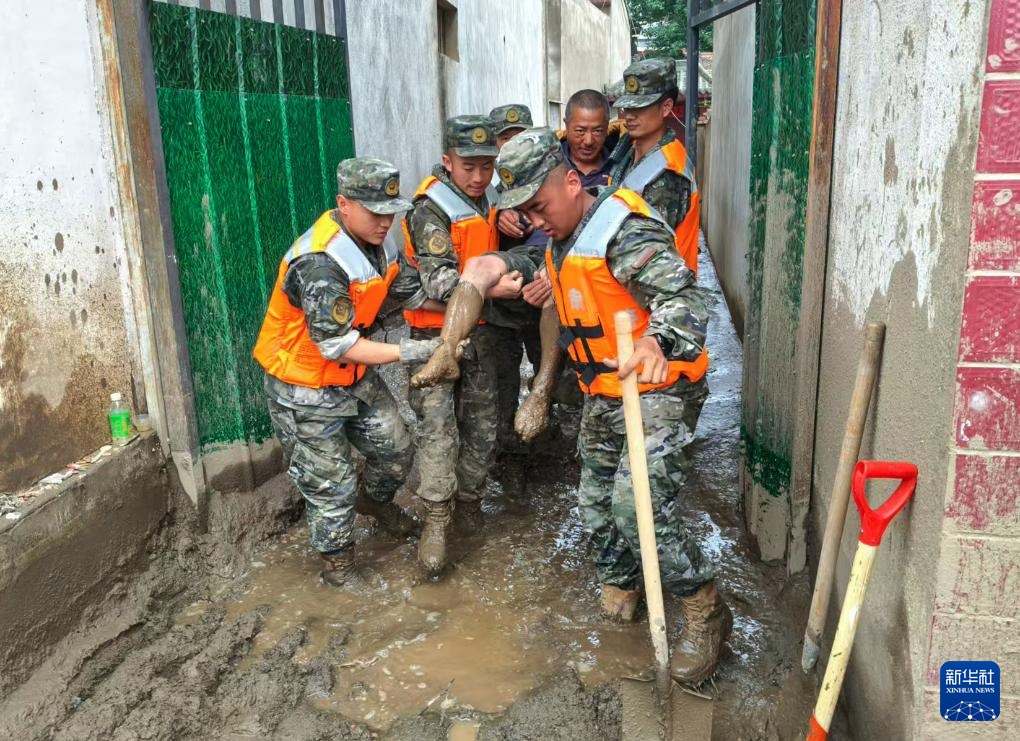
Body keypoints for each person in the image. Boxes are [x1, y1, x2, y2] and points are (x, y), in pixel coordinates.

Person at [496, 128, 731, 686]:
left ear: (570, 182)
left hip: (660, 386)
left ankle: (704, 607)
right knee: (596, 506)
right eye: (525, 212)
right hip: (604, 389)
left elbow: (685, 297)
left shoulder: (624, 229)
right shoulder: (561, 239)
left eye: (539, 206)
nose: (535, 220)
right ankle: (623, 587)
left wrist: (656, 340)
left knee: (636, 506)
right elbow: (570, 310)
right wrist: (542, 387)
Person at [253, 158, 443, 589]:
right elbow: (336, 344)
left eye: (390, 212)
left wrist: (470, 304)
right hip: (304, 387)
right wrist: (410, 350)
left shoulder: (381, 245)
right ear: (344, 204)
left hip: (352, 376)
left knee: (397, 449)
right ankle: (338, 568)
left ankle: (374, 502)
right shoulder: (319, 263)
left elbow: (412, 295)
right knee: (331, 484)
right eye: (375, 212)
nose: (385, 222)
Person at [402, 115, 523, 576]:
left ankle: (469, 502)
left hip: (481, 333)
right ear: (448, 161)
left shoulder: (490, 197)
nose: (478, 176)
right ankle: (436, 519)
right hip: (433, 336)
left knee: (483, 425)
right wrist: (495, 288)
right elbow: (438, 282)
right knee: (438, 428)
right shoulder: (430, 208)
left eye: (486, 166)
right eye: (468, 166)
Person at [609, 58, 700, 276]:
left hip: (660, 287)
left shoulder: (669, 173)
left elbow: (645, 251)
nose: (629, 115)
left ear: (666, 107)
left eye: (640, 107)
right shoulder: (630, 150)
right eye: (627, 106)